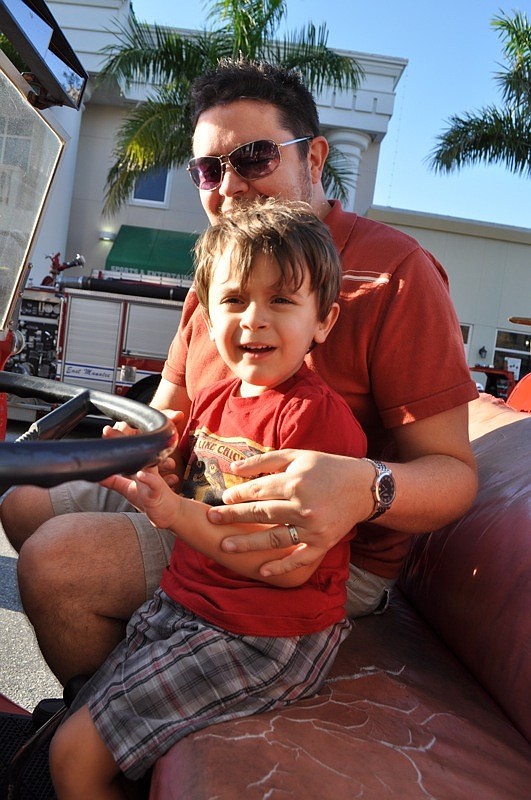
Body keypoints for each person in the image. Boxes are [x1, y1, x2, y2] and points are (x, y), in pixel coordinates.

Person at [0, 59, 478, 686]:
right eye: (207, 169)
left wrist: (364, 488)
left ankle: (112, 739)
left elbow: (454, 476)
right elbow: (170, 411)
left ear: (314, 160)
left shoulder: (395, 275)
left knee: (58, 564)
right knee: (23, 504)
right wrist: (155, 452)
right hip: (200, 492)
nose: (228, 187)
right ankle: (127, 693)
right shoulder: (214, 282)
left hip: (311, 548)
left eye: (254, 157)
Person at [48, 199, 367, 796]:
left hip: (265, 635)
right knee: (80, 712)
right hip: (193, 605)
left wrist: (171, 513)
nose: (253, 320)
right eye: (234, 299)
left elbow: (278, 568)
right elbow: (199, 486)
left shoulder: (316, 426)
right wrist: (151, 466)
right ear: (205, 312)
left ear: (323, 320)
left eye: (281, 300)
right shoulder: (219, 399)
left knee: (73, 757)